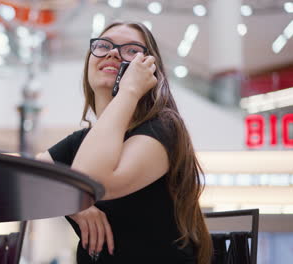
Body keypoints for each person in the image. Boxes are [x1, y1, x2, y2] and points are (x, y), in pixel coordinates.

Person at [36, 21, 213, 263]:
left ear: (150, 69)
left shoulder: (163, 127)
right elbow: (32, 180)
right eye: (103, 45)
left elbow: (90, 184)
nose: (112, 52)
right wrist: (75, 207)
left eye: (131, 50)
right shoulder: (87, 140)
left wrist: (129, 91)